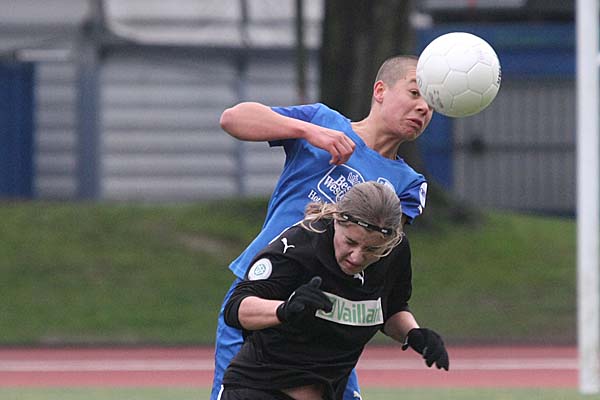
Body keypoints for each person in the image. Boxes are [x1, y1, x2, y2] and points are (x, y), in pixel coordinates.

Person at [211, 55, 434, 400]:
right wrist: (306, 131)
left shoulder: (409, 184)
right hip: (262, 295)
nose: (423, 108)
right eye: (415, 93)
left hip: (328, 313)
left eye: (432, 103)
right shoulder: (323, 122)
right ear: (380, 91)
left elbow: (377, 254)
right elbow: (232, 119)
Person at [218, 181, 449, 400]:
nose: (357, 257)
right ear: (337, 221)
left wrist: (413, 334)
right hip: (257, 390)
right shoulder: (300, 244)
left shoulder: (394, 253)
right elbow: (236, 308)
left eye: (372, 249)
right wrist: (285, 309)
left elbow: (391, 308)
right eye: (350, 242)